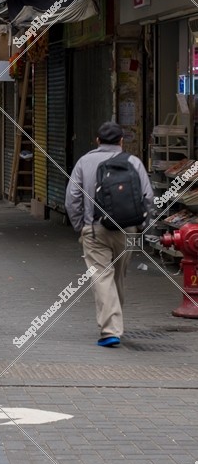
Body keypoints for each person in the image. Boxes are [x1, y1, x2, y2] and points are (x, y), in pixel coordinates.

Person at [65, 120, 153, 347]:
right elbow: (148, 197)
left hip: (95, 229)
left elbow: (72, 198)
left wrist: (81, 226)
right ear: (121, 141)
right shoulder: (134, 162)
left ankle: (110, 329)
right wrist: (142, 226)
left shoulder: (85, 162)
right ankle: (115, 323)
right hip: (128, 230)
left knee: (102, 277)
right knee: (118, 277)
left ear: (97, 140)